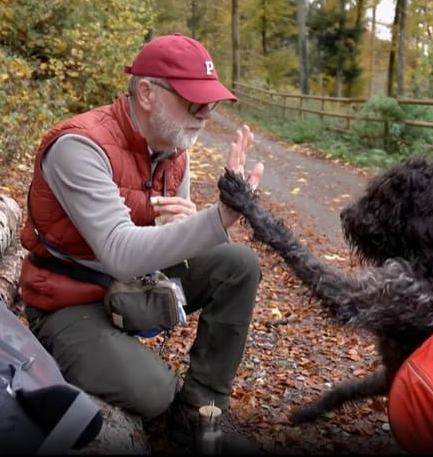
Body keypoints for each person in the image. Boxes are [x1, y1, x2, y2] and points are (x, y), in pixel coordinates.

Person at [18, 33, 265, 453]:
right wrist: (218, 218)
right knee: (153, 392)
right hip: (70, 303)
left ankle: (201, 412)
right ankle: (93, 364)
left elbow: (169, 240)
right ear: (148, 93)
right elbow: (119, 253)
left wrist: (187, 224)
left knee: (238, 264)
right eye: (194, 102)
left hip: (134, 289)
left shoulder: (174, 151)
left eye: (212, 103)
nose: (206, 114)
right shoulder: (78, 147)